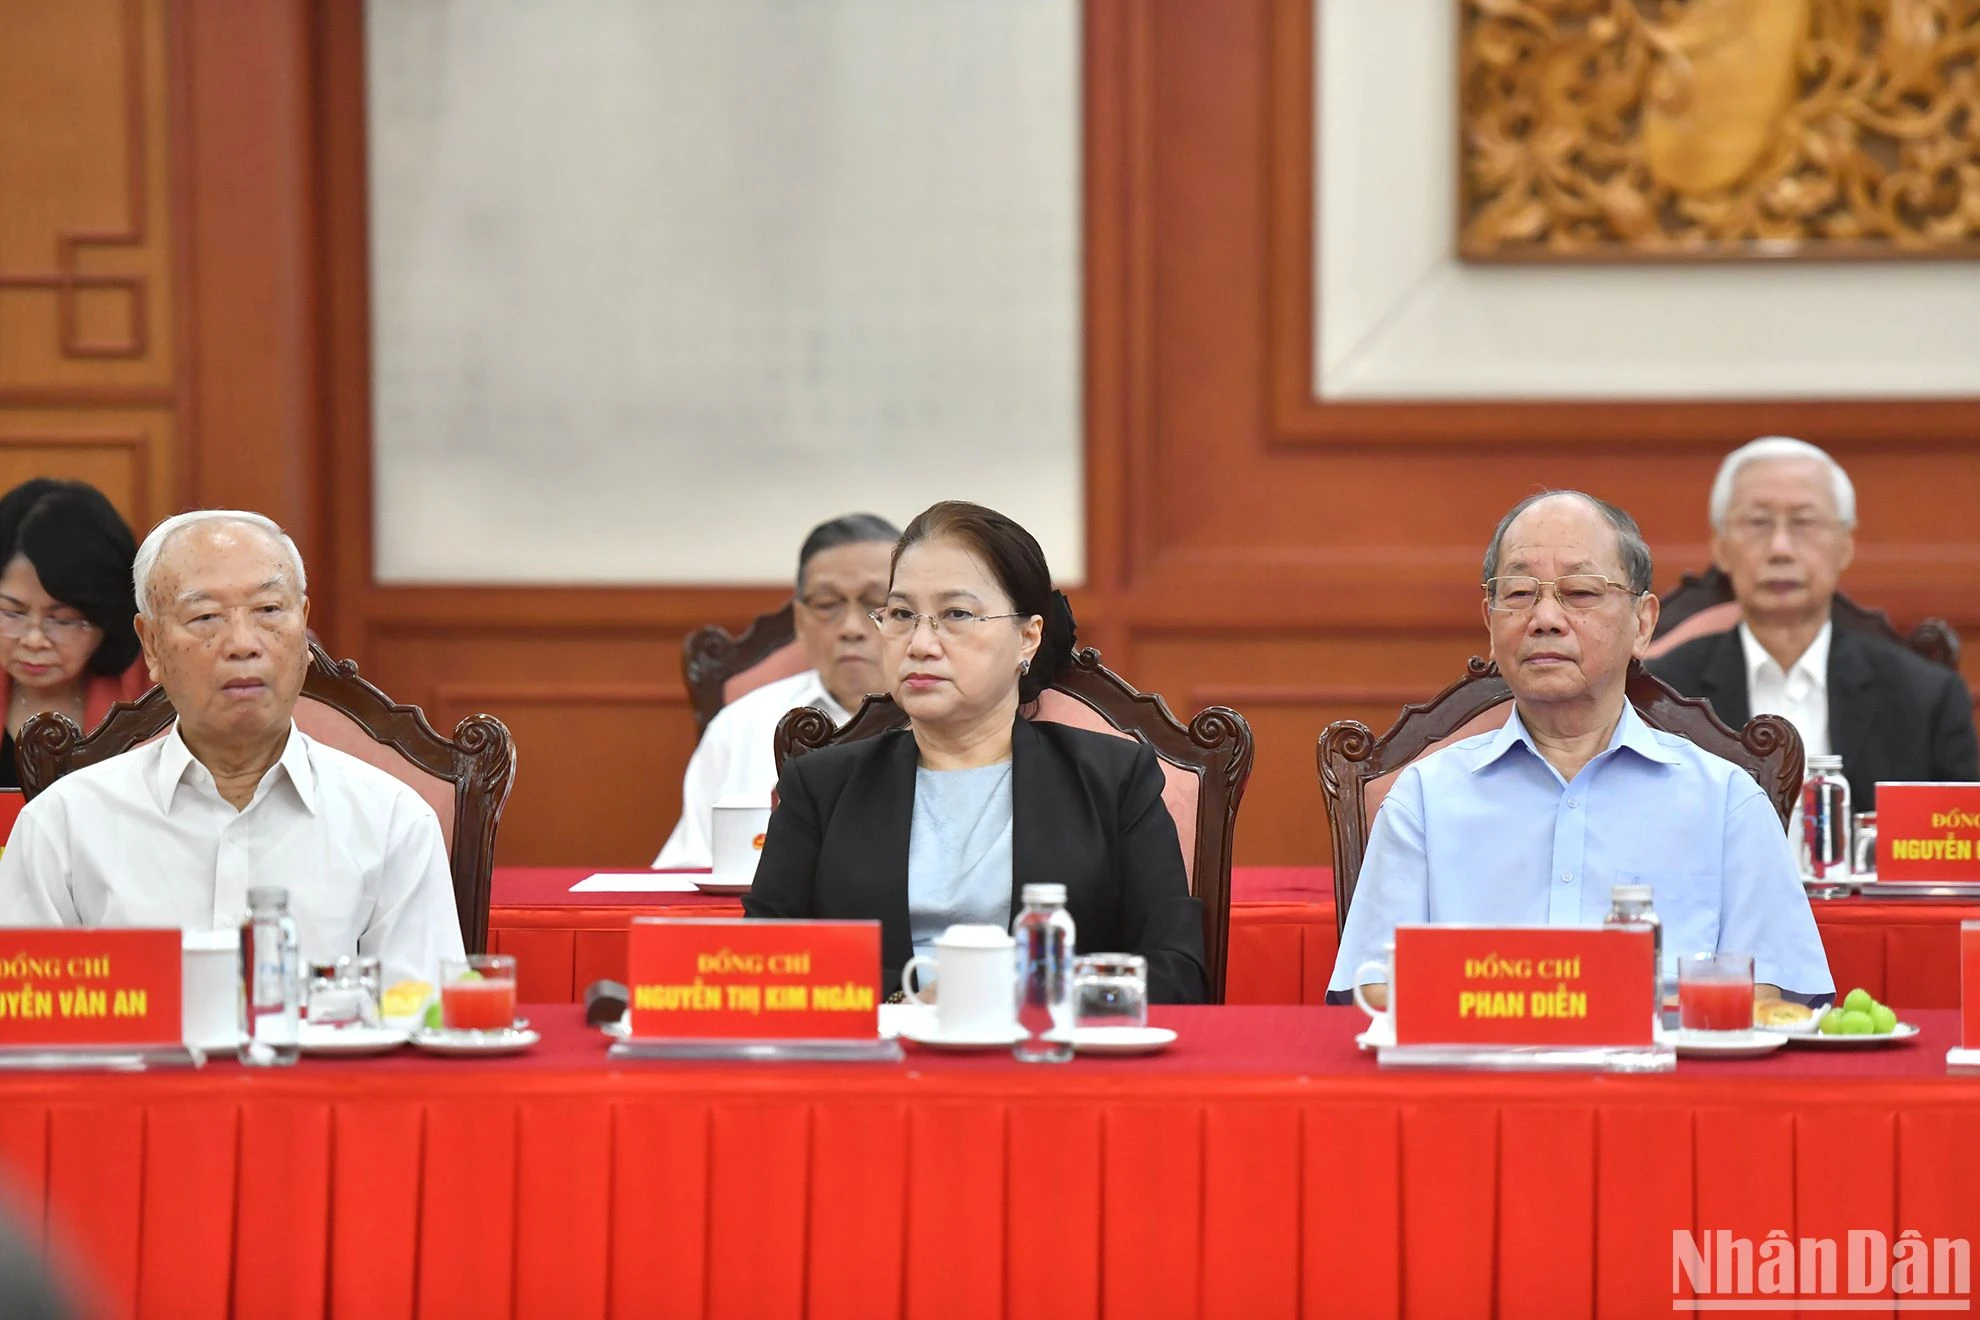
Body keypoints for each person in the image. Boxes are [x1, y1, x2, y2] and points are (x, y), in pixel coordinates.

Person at [1331, 490, 1832, 1005]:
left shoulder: (1726, 801)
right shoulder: (1425, 798)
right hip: (1477, 1079)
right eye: (1520, 592)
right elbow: (1371, 988)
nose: (1545, 617)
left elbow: (1778, 994)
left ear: (1642, 624)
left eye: (1580, 592)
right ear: (1490, 621)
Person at [744, 500, 1207, 1002]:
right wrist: (905, 1008)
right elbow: (761, 967)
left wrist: (1004, 997)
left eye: (956, 614)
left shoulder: (1114, 779)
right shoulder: (821, 785)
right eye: (901, 614)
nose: (920, 643)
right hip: (877, 1065)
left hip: (1049, 1061)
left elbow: (1176, 975)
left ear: (1028, 637)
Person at [0, 510, 462, 987]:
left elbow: (422, 1019)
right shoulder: (63, 825)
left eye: (267, 611)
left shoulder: (393, 822)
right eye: (205, 617)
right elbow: (25, 1028)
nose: (243, 644)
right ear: (152, 645)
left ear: (303, 628)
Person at [1650, 436, 1978, 809]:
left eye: (1804, 522)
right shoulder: (1665, 694)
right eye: (1758, 522)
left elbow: (1959, 851)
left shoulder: (1926, 698)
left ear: (1845, 546)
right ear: (1721, 547)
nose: (1780, 548)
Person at [653, 513, 900, 868]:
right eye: (828, 605)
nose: (850, 628)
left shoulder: (949, 719)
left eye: (875, 603)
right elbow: (687, 870)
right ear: (800, 620)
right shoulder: (740, 725)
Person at [0, 479, 149, 788]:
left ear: (106, 616)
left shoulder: (153, 698)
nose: (33, 639)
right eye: (11, 613)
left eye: (64, 621)